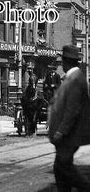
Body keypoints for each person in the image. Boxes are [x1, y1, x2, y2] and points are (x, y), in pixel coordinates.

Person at [48, 45, 90, 191]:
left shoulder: (75, 79)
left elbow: (72, 110)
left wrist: (61, 131)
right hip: (69, 134)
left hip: (70, 134)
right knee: (60, 169)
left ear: (66, 62)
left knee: (64, 167)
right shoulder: (73, 77)